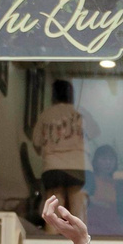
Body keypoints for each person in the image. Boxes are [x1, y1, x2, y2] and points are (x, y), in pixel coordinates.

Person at [33, 80, 90, 222]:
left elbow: (36, 142)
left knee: (54, 211)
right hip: (78, 166)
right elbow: (96, 132)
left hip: (53, 167)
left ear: (53, 95)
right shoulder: (79, 113)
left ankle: (52, 234)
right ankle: (79, 235)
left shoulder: (46, 114)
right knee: (78, 209)